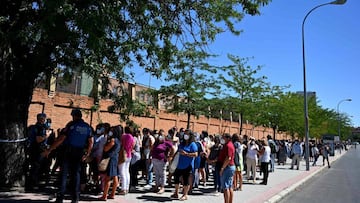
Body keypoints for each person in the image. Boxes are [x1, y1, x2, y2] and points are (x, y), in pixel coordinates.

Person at [42, 109, 94, 203]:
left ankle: (60, 197)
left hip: (69, 151)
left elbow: (61, 138)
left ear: (74, 116)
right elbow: (91, 141)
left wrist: (49, 150)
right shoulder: (87, 127)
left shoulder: (71, 125)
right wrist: (88, 153)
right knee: (76, 175)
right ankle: (75, 198)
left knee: (64, 174)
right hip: (79, 152)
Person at [171, 129, 198, 201]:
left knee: (186, 180)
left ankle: (185, 194)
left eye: (187, 134)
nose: (185, 135)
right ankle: (176, 193)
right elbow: (177, 151)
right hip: (179, 164)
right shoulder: (182, 144)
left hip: (187, 165)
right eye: (184, 134)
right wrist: (173, 158)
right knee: (176, 178)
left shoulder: (193, 144)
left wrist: (186, 154)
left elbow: (195, 154)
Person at [27, 113, 51, 190]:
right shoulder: (38, 127)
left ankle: (34, 183)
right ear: (41, 119)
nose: (44, 120)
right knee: (37, 167)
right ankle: (33, 184)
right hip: (37, 150)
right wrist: (47, 135)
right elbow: (38, 139)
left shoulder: (38, 127)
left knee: (37, 167)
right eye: (43, 119)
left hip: (37, 149)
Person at [99, 126, 121, 200]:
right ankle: (112, 194)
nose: (110, 132)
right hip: (115, 158)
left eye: (112, 131)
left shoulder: (112, 140)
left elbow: (106, 149)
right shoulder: (119, 140)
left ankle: (104, 195)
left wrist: (105, 144)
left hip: (110, 159)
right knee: (115, 177)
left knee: (108, 178)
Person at [150, 129, 175, 194]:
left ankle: (162, 187)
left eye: (161, 135)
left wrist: (170, 156)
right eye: (159, 134)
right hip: (155, 159)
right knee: (156, 174)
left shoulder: (166, 142)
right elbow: (152, 149)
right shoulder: (156, 142)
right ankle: (156, 186)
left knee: (162, 174)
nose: (159, 136)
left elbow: (173, 149)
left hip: (162, 160)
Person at [118, 126, 135, 195]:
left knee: (122, 172)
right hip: (129, 155)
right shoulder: (132, 137)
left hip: (123, 155)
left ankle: (123, 189)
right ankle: (127, 187)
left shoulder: (124, 136)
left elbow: (121, 145)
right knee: (127, 171)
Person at [218, 133, 235, 203]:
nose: (222, 139)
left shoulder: (228, 146)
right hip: (230, 167)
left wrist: (222, 168)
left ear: (228, 138)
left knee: (225, 187)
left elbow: (228, 157)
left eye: (223, 137)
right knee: (230, 186)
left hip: (227, 167)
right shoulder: (229, 145)